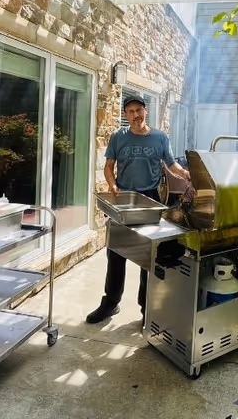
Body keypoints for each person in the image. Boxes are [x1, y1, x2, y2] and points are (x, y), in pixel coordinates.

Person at [86, 95, 191, 324]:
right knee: (116, 252)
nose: (136, 115)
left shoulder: (160, 138)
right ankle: (110, 303)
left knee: (148, 255)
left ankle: (146, 309)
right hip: (123, 199)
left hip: (150, 199)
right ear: (126, 115)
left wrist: (185, 174)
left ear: (146, 111)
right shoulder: (118, 137)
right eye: (131, 111)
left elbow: (170, 164)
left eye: (139, 110)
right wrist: (112, 184)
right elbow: (109, 166)